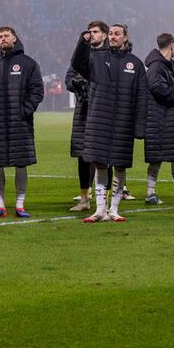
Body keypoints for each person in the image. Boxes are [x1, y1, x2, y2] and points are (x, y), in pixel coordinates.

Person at [71, 23, 147, 223]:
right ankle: (99, 210)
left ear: (125, 37)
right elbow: (78, 65)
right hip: (98, 120)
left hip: (123, 121)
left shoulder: (136, 64)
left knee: (120, 166)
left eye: (117, 34)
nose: (113, 37)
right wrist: (83, 42)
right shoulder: (96, 58)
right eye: (111, 34)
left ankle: (114, 209)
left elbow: (142, 97)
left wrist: (139, 127)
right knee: (100, 164)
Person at [0, 26, 44, 218]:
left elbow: (37, 90)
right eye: (0, 36)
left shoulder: (27, 63)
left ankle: (20, 205)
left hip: (18, 123)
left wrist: (25, 110)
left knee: (20, 164)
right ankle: (0, 205)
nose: (3, 39)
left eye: (6, 36)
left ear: (15, 38)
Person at [66, 20, 114, 212]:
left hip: (103, 109)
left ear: (104, 35)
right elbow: (69, 77)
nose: (92, 34)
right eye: (90, 31)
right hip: (83, 110)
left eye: (96, 31)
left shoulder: (111, 56)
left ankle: (106, 199)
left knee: (104, 155)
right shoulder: (81, 55)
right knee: (82, 155)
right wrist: (78, 84)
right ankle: (84, 198)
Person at [143, 32, 174, 205]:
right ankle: (150, 193)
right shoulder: (156, 67)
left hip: (171, 119)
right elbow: (161, 91)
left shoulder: (170, 65)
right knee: (156, 158)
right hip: (158, 120)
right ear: (172, 45)